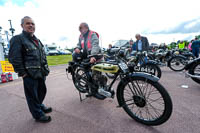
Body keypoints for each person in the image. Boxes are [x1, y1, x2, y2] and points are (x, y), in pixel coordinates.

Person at [8, 16, 52, 123]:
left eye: (32, 23)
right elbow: (14, 58)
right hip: (29, 74)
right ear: (22, 26)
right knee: (32, 96)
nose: (31, 25)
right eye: (28, 23)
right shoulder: (17, 39)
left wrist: (45, 70)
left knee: (42, 91)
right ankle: (38, 114)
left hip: (41, 73)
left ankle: (39, 105)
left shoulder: (37, 40)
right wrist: (22, 73)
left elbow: (42, 56)